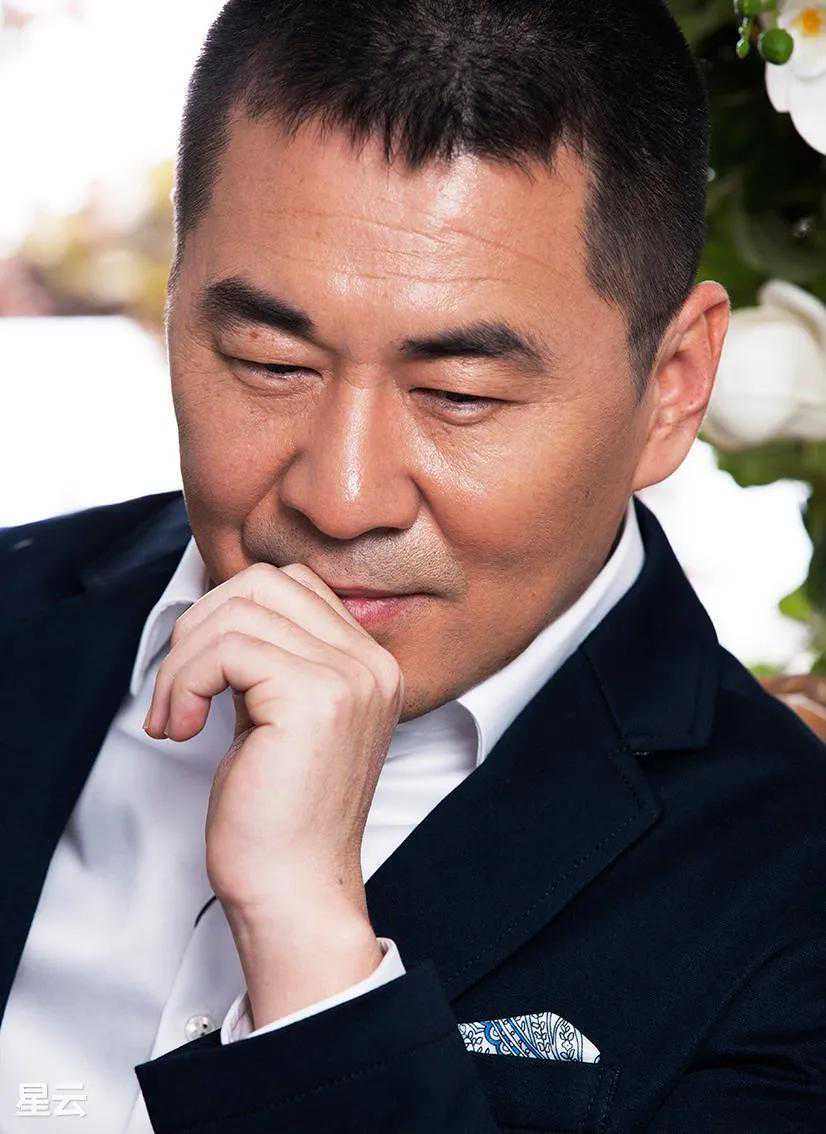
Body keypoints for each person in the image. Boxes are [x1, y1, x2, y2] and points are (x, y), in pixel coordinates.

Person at [1, 1, 824, 1130]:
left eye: (458, 395)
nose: (341, 498)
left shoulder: (792, 891)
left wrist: (310, 953)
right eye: (268, 361)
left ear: (673, 384)